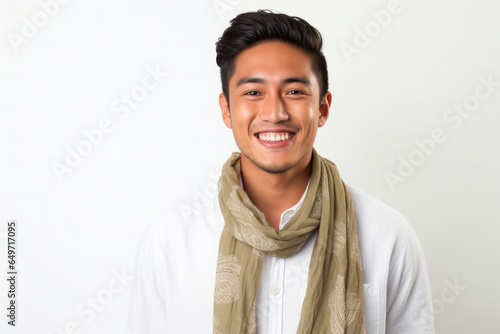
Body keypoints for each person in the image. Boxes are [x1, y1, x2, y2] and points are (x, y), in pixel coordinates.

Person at [127, 9, 434, 334]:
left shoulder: (386, 236)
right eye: (253, 92)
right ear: (226, 110)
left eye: (295, 92)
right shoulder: (171, 239)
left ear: (323, 108)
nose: (274, 113)